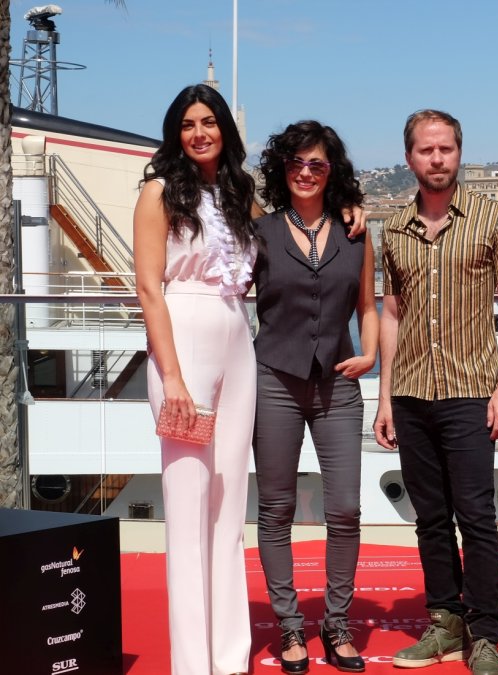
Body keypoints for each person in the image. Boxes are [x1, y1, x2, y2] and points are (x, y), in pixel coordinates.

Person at [372, 109, 498, 675]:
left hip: (469, 388)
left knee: (476, 515)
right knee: (429, 517)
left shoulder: (491, 217)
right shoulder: (394, 228)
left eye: (446, 149)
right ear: (409, 157)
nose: (437, 159)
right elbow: (392, 313)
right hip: (411, 392)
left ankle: (485, 633)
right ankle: (444, 625)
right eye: (426, 150)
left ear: (459, 152)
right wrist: (384, 398)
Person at [133, 83, 258, 675]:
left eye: (209, 122)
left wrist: (348, 207)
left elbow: (296, 220)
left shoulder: (237, 193)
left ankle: (229, 657)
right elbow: (148, 288)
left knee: (229, 503)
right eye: (188, 124)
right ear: (175, 133)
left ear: (225, 131)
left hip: (239, 340)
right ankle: (192, 663)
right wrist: (173, 376)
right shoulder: (158, 192)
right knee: (186, 506)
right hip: (184, 340)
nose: (199, 132)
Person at [252, 120, 377, 674]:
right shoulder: (259, 231)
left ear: (333, 172)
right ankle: (289, 626)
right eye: (297, 163)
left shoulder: (356, 231)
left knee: (345, 508)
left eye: (318, 164)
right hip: (273, 380)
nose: (306, 172)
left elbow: (368, 307)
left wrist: (369, 353)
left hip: (337, 383)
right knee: (276, 509)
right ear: (283, 169)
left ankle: (338, 621)